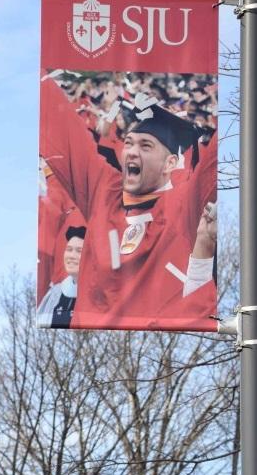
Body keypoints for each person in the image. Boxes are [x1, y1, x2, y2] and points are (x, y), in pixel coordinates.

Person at [39, 75, 217, 331]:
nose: (132, 151)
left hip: (154, 347)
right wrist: (41, 73)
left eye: (146, 146)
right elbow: (64, 133)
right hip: (87, 343)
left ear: (170, 164)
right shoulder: (104, 189)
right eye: (129, 143)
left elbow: (215, 164)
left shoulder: (182, 205)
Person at [37, 225, 86, 328]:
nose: (72, 256)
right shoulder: (55, 293)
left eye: (79, 251)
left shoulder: (98, 296)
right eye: (69, 249)